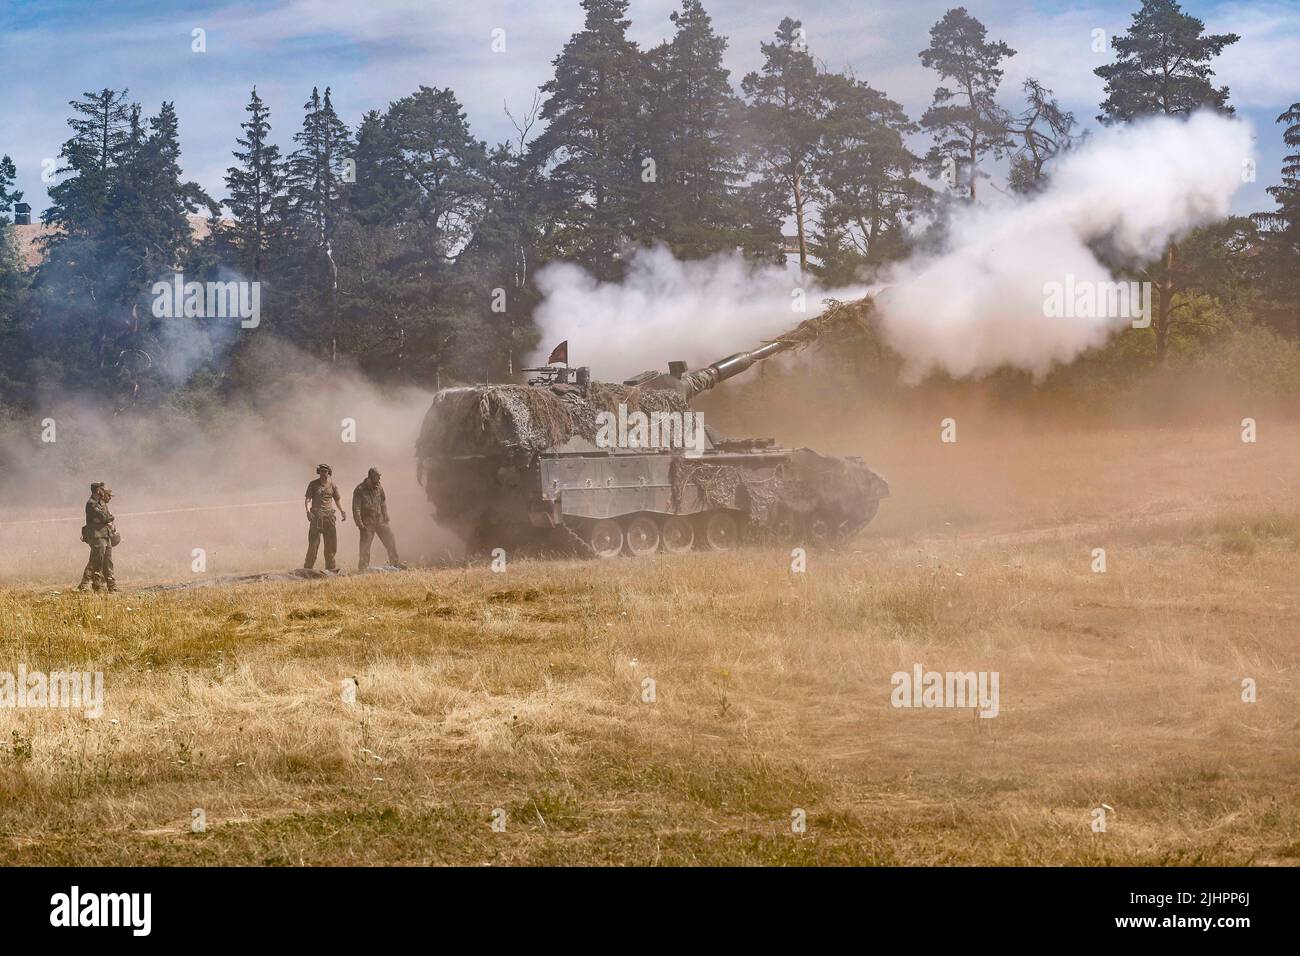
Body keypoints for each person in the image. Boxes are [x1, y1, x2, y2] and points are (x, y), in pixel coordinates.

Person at [352, 467, 402, 570]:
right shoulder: (360, 489)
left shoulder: (379, 487)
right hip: (367, 522)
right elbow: (356, 507)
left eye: (379, 477)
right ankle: (363, 568)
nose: (379, 480)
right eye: (377, 477)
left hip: (380, 520)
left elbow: (383, 502)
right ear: (371, 477)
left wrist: (386, 514)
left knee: (390, 541)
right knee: (365, 548)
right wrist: (359, 523)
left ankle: (395, 563)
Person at [76, 482, 117, 592]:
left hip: (105, 534)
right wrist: (106, 519)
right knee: (96, 560)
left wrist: (106, 519)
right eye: (102, 489)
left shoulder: (101, 502)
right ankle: (85, 584)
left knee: (108, 561)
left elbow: (107, 517)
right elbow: (105, 517)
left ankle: (111, 586)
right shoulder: (91, 503)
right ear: (97, 490)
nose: (103, 490)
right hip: (97, 535)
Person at [304, 463, 345, 571]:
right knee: (313, 546)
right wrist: (308, 511)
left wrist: (342, 511)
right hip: (316, 519)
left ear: (329, 472)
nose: (323, 473)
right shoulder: (313, 484)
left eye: (325, 471)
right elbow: (308, 499)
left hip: (329, 519)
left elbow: (337, 500)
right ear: (319, 472)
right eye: (321, 471)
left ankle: (330, 570)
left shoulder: (333, 485)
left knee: (331, 547)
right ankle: (307, 570)